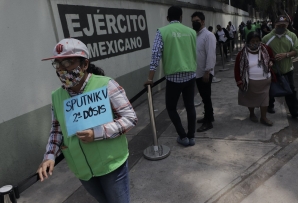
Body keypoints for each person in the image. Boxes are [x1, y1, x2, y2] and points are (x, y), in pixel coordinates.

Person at [37, 38, 138, 203]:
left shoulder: (106, 85)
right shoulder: (57, 96)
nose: (62, 70)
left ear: (84, 65)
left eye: (68, 62)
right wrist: (49, 155)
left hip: (111, 166)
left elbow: (130, 118)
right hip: (82, 170)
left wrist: (97, 133)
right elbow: (57, 129)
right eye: (57, 64)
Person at [144, 6, 197, 146]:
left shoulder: (162, 32)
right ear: (181, 17)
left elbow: (155, 56)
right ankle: (191, 137)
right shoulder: (191, 32)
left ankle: (182, 136)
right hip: (190, 75)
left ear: (168, 18)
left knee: (171, 108)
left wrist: (150, 78)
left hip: (174, 78)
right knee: (190, 106)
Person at [234, 32, 276, 126]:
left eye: (257, 41)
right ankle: (252, 114)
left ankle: (263, 117)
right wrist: (239, 82)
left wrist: (271, 63)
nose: (255, 43)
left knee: (265, 99)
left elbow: (272, 59)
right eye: (253, 41)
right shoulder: (241, 54)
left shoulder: (266, 49)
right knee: (250, 99)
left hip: (265, 81)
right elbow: (237, 69)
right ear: (248, 42)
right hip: (250, 83)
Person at [262, 15, 298, 118]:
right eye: (279, 25)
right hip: (272, 70)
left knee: (291, 90)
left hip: (287, 69)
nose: (282, 27)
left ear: (287, 25)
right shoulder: (267, 38)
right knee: (270, 89)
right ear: (275, 25)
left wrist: (286, 55)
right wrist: (268, 61)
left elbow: (297, 50)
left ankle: (294, 111)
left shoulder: (292, 36)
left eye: (284, 25)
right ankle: (270, 106)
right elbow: (262, 53)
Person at [191, 11, 216, 132]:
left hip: (205, 73)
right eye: (193, 21)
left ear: (203, 21)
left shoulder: (208, 35)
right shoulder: (197, 35)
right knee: (204, 97)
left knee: (206, 97)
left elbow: (211, 55)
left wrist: (207, 72)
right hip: (198, 72)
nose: (195, 23)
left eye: (197, 21)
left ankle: (208, 121)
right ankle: (207, 116)